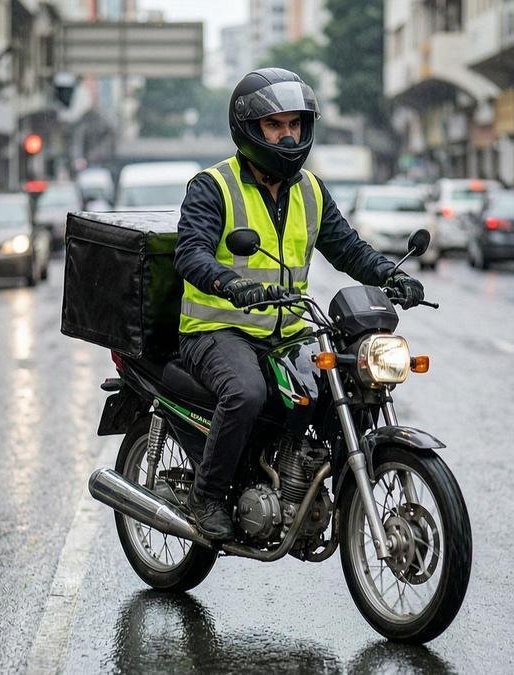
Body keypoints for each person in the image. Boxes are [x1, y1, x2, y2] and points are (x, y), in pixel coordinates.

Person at [174, 68, 424, 540]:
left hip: (288, 331)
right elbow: (191, 254)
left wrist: (392, 274)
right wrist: (234, 285)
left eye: (295, 125)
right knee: (246, 392)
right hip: (216, 330)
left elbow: (347, 248)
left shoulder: (310, 189)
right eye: (275, 125)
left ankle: (300, 483)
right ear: (249, 129)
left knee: (342, 384)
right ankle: (207, 495)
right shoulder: (213, 186)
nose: (288, 135)